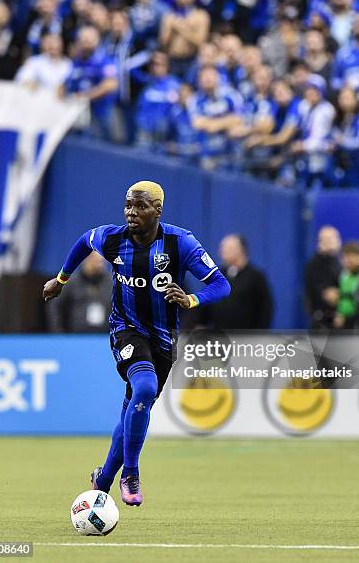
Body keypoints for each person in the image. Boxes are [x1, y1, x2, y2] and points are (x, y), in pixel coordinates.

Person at [42, 181, 230, 506]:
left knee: (132, 409)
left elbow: (220, 284)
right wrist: (61, 279)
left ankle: (102, 480)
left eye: (140, 206)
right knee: (143, 387)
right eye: (128, 205)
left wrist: (191, 300)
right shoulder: (113, 238)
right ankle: (131, 472)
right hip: (125, 329)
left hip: (163, 340)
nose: (132, 212)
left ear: (157, 210)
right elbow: (83, 241)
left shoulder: (180, 243)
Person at [190, 234, 273, 329]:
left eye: (228, 248)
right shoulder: (217, 275)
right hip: (220, 338)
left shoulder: (255, 277)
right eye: (222, 248)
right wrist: (197, 324)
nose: (222, 251)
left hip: (247, 338)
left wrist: (259, 335)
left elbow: (265, 309)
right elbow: (205, 303)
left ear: (241, 250)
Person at [46, 251, 112, 333]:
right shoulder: (70, 282)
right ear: (86, 259)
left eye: (102, 261)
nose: (100, 264)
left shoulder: (112, 283)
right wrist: (58, 332)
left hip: (105, 337)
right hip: (76, 337)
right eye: (96, 260)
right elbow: (55, 307)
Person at [304, 226, 342, 329]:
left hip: (339, 320)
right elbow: (329, 295)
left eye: (336, 238)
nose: (335, 241)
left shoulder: (338, 262)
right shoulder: (315, 264)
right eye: (329, 239)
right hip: (324, 322)